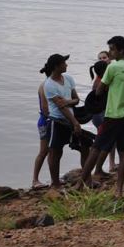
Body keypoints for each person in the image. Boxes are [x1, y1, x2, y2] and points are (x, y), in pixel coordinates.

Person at [77, 36, 124, 197]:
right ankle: (118, 190)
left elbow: (99, 90)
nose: (110, 52)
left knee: (96, 148)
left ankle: (79, 185)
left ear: (121, 50)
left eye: (112, 49)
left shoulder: (112, 68)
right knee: (123, 151)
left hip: (112, 115)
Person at [42, 54, 83, 190]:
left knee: (85, 146)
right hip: (57, 121)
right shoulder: (49, 84)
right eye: (64, 63)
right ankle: (55, 183)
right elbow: (62, 107)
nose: (66, 65)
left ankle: (86, 179)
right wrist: (75, 123)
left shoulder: (68, 79)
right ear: (56, 66)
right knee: (55, 153)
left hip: (70, 119)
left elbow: (76, 99)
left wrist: (67, 101)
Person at [89, 60, 111, 180]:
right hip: (100, 115)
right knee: (102, 142)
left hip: (98, 115)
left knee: (103, 142)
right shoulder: (101, 83)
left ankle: (98, 168)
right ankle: (97, 169)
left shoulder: (98, 81)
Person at [32, 68, 51, 189]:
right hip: (45, 121)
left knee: (53, 150)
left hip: (49, 120)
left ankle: (52, 177)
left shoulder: (51, 84)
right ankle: (35, 180)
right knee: (44, 151)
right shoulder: (45, 85)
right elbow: (45, 109)